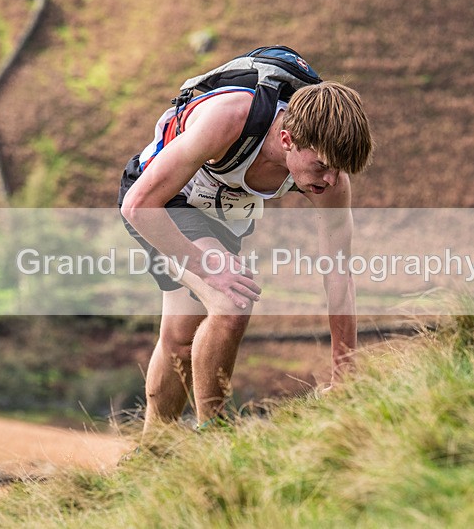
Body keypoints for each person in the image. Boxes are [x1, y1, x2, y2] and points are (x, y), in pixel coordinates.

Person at [118, 79, 373, 434]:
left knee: (179, 338)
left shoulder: (331, 179)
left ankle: (152, 450)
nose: (330, 180)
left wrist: (344, 371)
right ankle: (214, 433)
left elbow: (339, 274)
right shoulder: (230, 119)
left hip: (225, 216)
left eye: (339, 170)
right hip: (162, 200)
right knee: (231, 300)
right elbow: (138, 206)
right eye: (321, 166)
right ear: (287, 141)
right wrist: (206, 267)